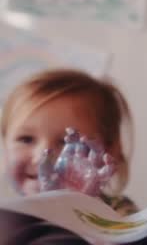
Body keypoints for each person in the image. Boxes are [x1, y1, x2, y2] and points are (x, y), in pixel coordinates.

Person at [1, 68, 137, 216]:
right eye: (26, 139)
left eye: (66, 142)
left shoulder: (119, 214)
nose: (42, 157)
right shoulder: (7, 216)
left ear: (110, 152)